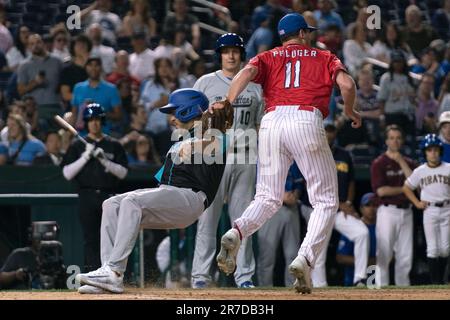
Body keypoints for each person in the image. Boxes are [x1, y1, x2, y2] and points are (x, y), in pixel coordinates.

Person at [212, 13, 361, 294]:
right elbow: (348, 85)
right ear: (302, 34)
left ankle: (237, 231)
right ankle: (305, 258)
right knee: (327, 201)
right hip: (306, 119)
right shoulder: (324, 56)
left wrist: (227, 101)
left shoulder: (267, 56)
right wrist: (351, 111)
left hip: (270, 122)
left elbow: (245, 73)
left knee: (267, 197)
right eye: (308, 32)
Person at [75, 88, 232, 294]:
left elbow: (220, 144)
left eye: (175, 112)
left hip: (191, 198)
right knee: (111, 204)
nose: (172, 118)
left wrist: (197, 143)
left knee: (131, 201)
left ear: (188, 110)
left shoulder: (213, 136)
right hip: (172, 195)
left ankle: (114, 271)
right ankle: (108, 274)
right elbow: (161, 181)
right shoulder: (180, 142)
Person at [191, 33, 264, 289]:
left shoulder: (254, 85)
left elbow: (260, 125)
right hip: (213, 158)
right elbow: (193, 121)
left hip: (245, 156)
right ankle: (200, 276)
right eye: (225, 51)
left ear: (241, 54)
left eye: (235, 51)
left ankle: (244, 277)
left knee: (242, 222)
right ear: (219, 55)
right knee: (207, 219)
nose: (231, 55)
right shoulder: (205, 83)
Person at [301, 124, 370, 287]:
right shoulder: (312, 153)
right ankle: (320, 285)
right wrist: (340, 204)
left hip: (340, 211)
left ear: (335, 133)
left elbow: (351, 181)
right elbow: (308, 183)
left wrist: (348, 203)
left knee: (362, 233)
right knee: (319, 250)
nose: (328, 134)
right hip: (320, 210)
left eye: (331, 130)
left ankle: (359, 278)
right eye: (325, 130)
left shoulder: (344, 154)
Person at [62, 103, 128, 271]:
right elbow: (67, 173)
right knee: (90, 239)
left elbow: (123, 173)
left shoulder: (114, 144)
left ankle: (112, 272)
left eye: (97, 119)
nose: (94, 123)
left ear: (102, 121)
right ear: (86, 122)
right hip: (86, 196)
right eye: (91, 120)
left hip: (109, 196)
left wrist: (104, 160)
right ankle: (93, 273)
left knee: (111, 238)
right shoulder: (77, 146)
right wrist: (85, 156)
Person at [370, 125, 416, 286]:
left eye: (398, 138)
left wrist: (401, 161)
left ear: (402, 141)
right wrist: (405, 189)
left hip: (406, 211)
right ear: (386, 140)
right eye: (391, 138)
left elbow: (415, 183)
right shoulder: (379, 163)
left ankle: (403, 291)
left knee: (405, 255)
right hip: (387, 211)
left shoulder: (409, 162)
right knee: (384, 253)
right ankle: (379, 290)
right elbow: (381, 191)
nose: (395, 141)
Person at [403, 134, 450, 284]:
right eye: (429, 150)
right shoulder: (420, 170)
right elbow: (407, 187)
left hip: (447, 208)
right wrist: (416, 203)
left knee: (445, 249)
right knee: (432, 248)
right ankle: (436, 283)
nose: (433, 153)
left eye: (436, 149)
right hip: (429, 210)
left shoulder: (448, 168)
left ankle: (442, 281)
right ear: (425, 152)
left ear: (440, 151)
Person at [257, 163, 301, 287]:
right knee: (267, 255)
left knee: (293, 254)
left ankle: (292, 288)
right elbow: (259, 184)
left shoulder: (294, 158)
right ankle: (264, 290)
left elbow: (299, 183)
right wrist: (281, 195)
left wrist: (295, 195)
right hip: (271, 207)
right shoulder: (265, 157)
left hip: (292, 208)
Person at [336, 192, 377, 287]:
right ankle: (359, 279)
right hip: (352, 282)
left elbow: (393, 256)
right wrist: (364, 261)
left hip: (378, 281)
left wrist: (379, 261)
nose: (371, 208)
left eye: (374, 205)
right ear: (361, 209)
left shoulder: (383, 228)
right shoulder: (353, 227)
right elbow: (340, 257)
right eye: (367, 205)